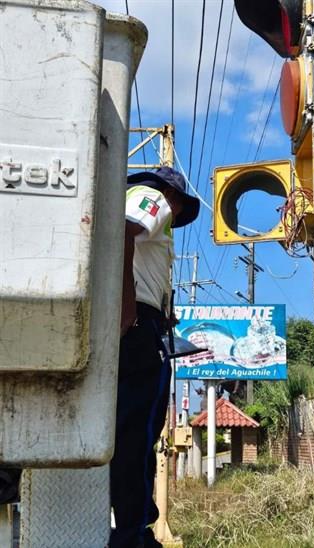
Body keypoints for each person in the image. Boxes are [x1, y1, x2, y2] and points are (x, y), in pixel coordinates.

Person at [110, 167, 200, 548]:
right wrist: (129, 305)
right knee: (138, 432)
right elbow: (126, 230)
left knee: (129, 432)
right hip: (138, 329)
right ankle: (133, 533)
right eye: (180, 210)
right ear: (175, 197)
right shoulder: (155, 199)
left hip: (144, 320)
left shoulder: (137, 199)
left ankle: (133, 524)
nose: (175, 216)